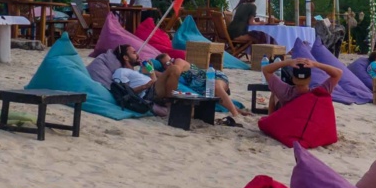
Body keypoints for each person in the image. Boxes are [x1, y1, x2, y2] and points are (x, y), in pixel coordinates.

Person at [109, 44, 249, 126]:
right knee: (175, 70)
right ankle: (172, 102)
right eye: (134, 53)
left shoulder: (178, 62)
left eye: (170, 61)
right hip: (150, 91)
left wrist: (151, 71)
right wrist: (146, 85)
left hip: (157, 88)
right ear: (125, 58)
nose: (137, 55)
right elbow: (125, 91)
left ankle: (172, 101)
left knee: (176, 70)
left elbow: (154, 78)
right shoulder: (121, 71)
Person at [256, 53, 352, 110]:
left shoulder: (285, 92)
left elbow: (266, 70)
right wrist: (315, 64)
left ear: (293, 78)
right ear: (310, 78)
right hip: (306, 125)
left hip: (290, 121)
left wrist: (288, 62)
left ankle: (270, 120)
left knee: (275, 94)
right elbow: (338, 73)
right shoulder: (318, 93)